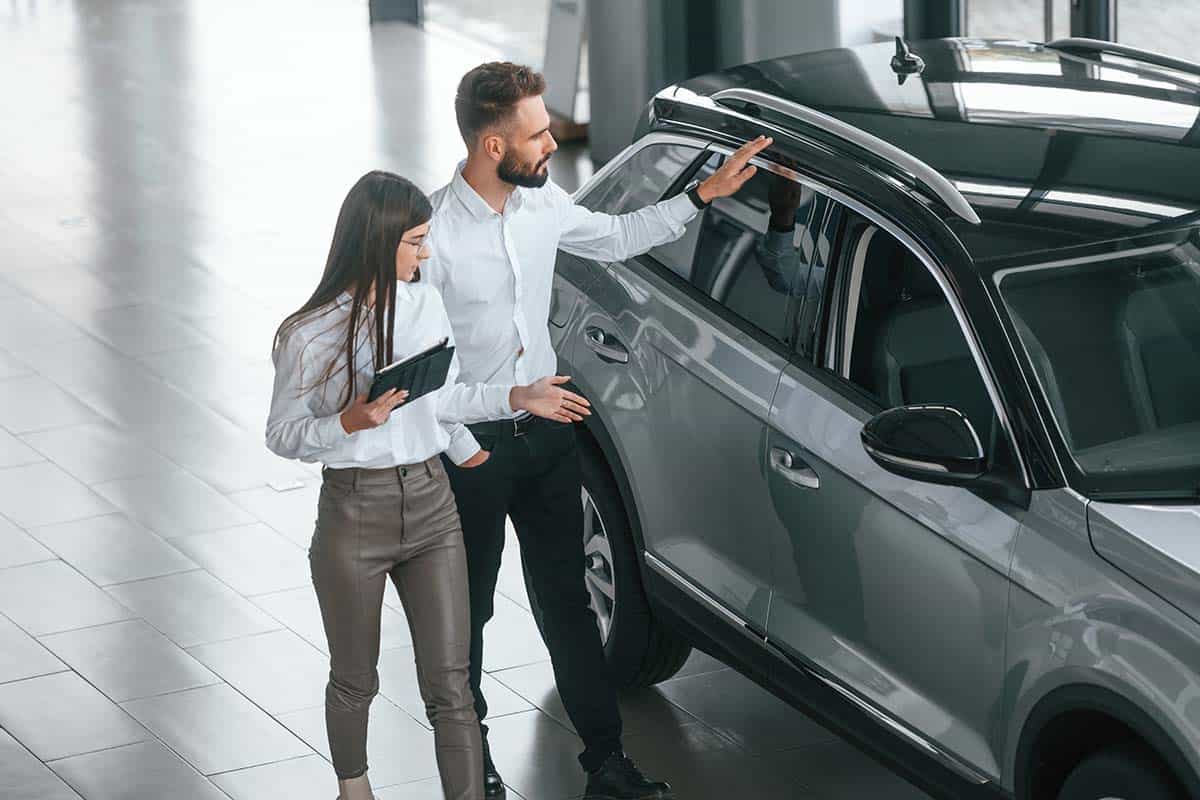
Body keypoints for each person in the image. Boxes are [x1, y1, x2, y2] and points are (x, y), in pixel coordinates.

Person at [424, 61, 771, 800]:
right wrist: (483, 430)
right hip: (472, 451)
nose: (553, 143)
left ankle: (606, 765)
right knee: (469, 614)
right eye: (538, 133)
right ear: (493, 146)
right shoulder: (437, 240)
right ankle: (469, 761)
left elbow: (615, 236)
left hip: (549, 439)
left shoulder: (542, 207)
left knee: (568, 605)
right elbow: (422, 385)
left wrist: (703, 195)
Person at [265, 170, 592, 800]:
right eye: (416, 241)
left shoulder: (424, 304)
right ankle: (353, 789)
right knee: (356, 679)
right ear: (376, 242)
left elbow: (441, 400)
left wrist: (490, 421)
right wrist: (348, 422)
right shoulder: (308, 334)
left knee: (450, 683)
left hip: (433, 503)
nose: (427, 253)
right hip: (355, 511)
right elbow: (283, 434)